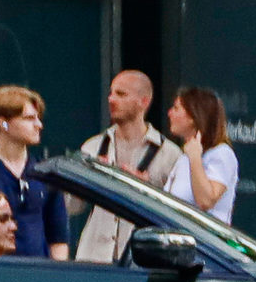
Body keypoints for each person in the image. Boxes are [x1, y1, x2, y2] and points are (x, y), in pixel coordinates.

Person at [74, 70, 185, 264]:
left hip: (140, 262)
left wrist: (146, 190)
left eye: (121, 94)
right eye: (111, 93)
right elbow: (71, 207)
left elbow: (177, 217)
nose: (111, 99)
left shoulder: (169, 154)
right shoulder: (93, 147)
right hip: (93, 258)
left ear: (143, 101)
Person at [0, 86, 67, 259]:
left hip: (39, 274)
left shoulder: (46, 173)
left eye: (38, 118)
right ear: (4, 123)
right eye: (29, 118)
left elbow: (58, 236)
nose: (38, 125)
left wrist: (59, 278)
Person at [161, 86, 238, 222]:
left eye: (176, 108)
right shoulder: (184, 158)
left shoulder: (221, 154)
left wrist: (195, 158)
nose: (169, 113)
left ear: (193, 116)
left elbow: (205, 201)